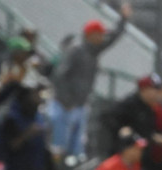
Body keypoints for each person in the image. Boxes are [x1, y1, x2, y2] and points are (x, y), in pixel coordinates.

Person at [49, 3, 131, 159]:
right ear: (90, 34)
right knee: (58, 148)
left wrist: (123, 19)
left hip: (80, 105)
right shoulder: (76, 50)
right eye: (99, 34)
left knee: (76, 151)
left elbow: (113, 37)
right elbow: (59, 76)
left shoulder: (93, 51)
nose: (102, 38)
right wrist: (66, 100)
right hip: (63, 106)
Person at [2, 84, 49, 170]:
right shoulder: (12, 117)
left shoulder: (38, 116)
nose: (39, 98)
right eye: (35, 94)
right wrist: (28, 133)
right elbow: (11, 146)